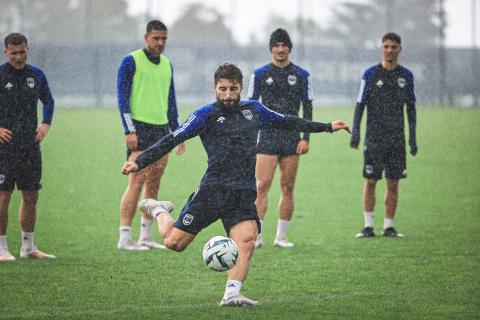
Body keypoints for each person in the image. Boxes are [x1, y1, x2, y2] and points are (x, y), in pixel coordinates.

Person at [122, 63, 351, 306]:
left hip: (242, 193)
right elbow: (171, 138)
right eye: (223, 89)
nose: (229, 95)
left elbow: (287, 121)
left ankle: (232, 293)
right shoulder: (204, 115)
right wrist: (140, 162)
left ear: (241, 87)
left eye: (233, 89)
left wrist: (326, 127)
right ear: (215, 88)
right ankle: (158, 209)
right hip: (212, 191)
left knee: (246, 240)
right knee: (174, 243)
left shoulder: (254, 110)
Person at [117, 20, 185, 251]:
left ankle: (146, 236)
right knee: (136, 183)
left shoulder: (167, 64)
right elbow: (122, 98)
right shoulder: (131, 61)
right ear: (146, 37)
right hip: (139, 129)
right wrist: (129, 130)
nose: (160, 42)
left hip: (161, 130)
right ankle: (125, 237)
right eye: (156, 38)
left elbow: (171, 101)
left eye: (164, 38)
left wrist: (178, 133)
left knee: (154, 184)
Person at [247, 28, 314, 249]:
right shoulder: (260, 74)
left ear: (289, 48)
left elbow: (308, 107)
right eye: (276, 45)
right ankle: (256, 235)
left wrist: (306, 137)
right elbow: (249, 106)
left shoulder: (303, 75)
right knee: (261, 185)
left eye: (284, 45)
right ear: (271, 49)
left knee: (287, 186)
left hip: (291, 137)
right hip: (267, 136)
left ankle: (281, 236)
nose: (280, 49)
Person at [350, 32, 417, 238]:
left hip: (396, 139)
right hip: (374, 138)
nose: (390, 50)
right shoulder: (369, 75)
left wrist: (412, 138)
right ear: (381, 48)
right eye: (386, 46)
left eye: (394, 47)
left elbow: (411, 110)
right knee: (370, 181)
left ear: (400, 49)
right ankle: (368, 225)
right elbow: (360, 105)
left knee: (393, 182)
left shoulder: (406, 76)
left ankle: (388, 226)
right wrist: (356, 132)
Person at [0, 33, 55, 261]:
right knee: (3, 198)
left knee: (31, 196)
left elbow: (49, 101)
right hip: (5, 149)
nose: (19, 57)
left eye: (22, 52)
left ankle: (28, 247)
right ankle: (1, 248)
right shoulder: (1, 75)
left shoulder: (36, 75)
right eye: (14, 53)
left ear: (27, 49)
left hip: (30, 147)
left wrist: (45, 123)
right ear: (6, 52)